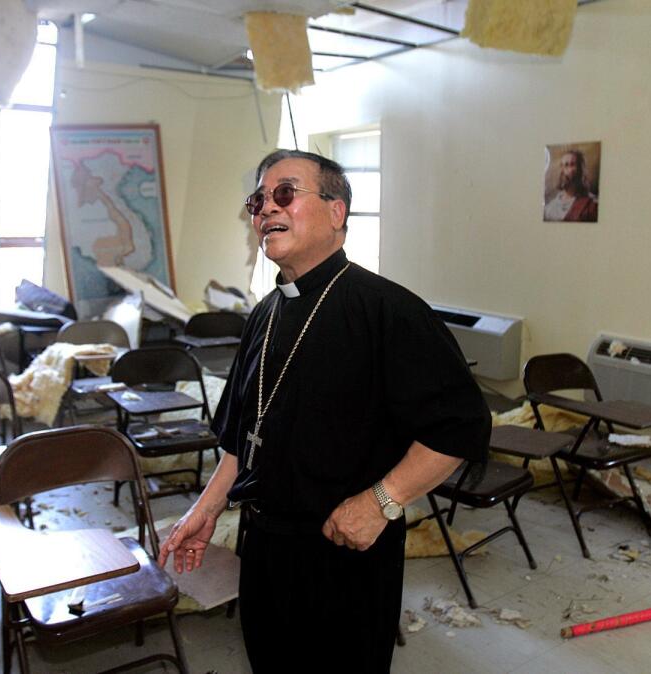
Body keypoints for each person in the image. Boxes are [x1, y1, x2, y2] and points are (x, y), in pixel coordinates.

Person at [158, 149, 491, 673]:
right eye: (258, 200)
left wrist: (384, 500)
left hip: (346, 551)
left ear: (337, 212)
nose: (267, 209)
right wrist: (207, 509)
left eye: (285, 193)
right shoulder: (264, 314)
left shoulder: (390, 311)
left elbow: (460, 426)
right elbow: (241, 439)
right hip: (265, 548)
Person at [543, 148, 599, 222]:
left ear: (580, 171)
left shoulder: (592, 205)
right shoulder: (549, 208)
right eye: (562, 165)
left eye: (569, 164)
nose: (562, 170)